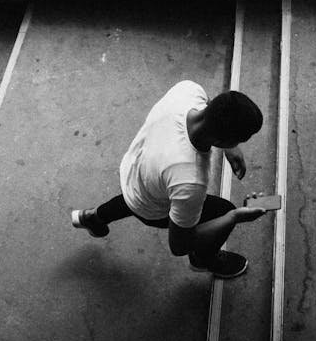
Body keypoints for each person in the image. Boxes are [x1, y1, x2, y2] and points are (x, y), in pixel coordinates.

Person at [71, 81, 269, 279]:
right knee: (223, 210)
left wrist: (228, 146)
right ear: (221, 140)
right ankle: (204, 260)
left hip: (135, 169)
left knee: (136, 198)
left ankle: (92, 218)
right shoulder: (190, 181)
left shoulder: (188, 90)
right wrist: (234, 216)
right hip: (152, 204)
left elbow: (211, 108)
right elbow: (179, 245)